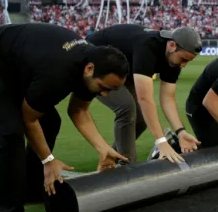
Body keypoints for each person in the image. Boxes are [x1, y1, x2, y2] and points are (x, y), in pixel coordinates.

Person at [0, 22, 130, 212]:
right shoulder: (58, 71)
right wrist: (48, 160)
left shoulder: (92, 63)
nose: (106, 95)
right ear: (89, 69)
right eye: (104, 88)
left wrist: (102, 148)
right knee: (9, 131)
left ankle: (31, 190)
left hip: (14, 67)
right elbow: (29, 119)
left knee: (51, 121)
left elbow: (79, 110)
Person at [86, 24, 203, 164]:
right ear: (171, 45)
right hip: (96, 64)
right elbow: (145, 99)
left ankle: (114, 158)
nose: (183, 65)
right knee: (126, 107)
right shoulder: (148, 47)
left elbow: (167, 99)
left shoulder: (173, 61)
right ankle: (127, 167)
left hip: (124, 68)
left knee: (140, 119)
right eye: (183, 59)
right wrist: (161, 141)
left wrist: (181, 132)